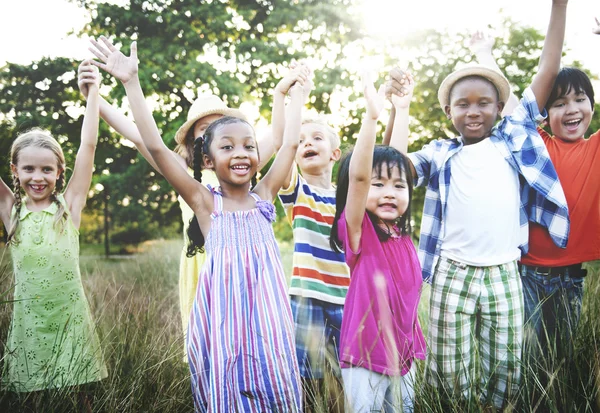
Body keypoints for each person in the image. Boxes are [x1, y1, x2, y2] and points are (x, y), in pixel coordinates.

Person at [89, 36, 304, 412]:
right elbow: (152, 144)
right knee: (224, 385)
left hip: (267, 318)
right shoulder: (204, 201)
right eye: (222, 143)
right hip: (219, 311)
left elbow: (286, 143)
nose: (239, 151)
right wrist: (130, 83)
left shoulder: (264, 196)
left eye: (247, 145)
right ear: (204, 156)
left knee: (276, 387)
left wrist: (289, 95)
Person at [386, 0, 570, 408]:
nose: (474, 111)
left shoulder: (512, 139)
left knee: (505, 372)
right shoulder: (440, 153)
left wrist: (559, 6)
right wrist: (400, 111)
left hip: (504, 272)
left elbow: (548, 71)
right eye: (463, 104)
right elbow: (395, 170)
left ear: (500, 109)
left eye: (484, 103)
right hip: (452, 272)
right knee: (451, 378)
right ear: (448, 111)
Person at [77, 62, 274, 358]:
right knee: (208, 348)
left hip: (242, 263)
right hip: (201, 265)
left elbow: (281, 136)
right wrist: (94, 97)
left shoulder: (241, 163)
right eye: (205, 129)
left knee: (248, 342)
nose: (214, 134)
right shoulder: (182, 171)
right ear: (195, 140)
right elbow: (140, 136)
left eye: (221, 126)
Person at [470, 17, 600, 407]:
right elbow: (531, 82)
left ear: (592, 105)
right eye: (559, 103)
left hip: (571, 282)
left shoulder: (596, 150)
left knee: (556, 369)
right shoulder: (535, 144)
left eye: (579, 100)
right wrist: (484, 54)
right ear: (544, 113)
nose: (571, 109)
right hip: (525, 275)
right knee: (521, 369)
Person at [0, 63, 107, 399]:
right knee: (35, 399)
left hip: (69, 317)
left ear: (60, 171)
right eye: (28, 168)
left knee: (79, 396)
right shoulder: (11, 211)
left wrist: (93, 94)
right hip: (29, 324)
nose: (38, 177)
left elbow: (88, 147)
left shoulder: (69, 206)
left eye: (46, 169)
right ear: (14, 171)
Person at [329, 73, 425, 412]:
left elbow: (396, 162)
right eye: (377, 184)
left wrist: (402, 109)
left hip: (404, 356)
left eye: (398, 187)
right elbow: (360, 175)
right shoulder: (360, 233)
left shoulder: (400, 233)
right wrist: (372, 117)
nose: (389, 192)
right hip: (365, 358)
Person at [271, 64, 350, 409]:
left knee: (348, 374)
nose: (307, 143)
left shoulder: (347, 196)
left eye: (316, 138)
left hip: (349, 298)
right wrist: (296, 96)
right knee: (308, 377)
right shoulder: (296, 190)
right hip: (306, 295)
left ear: (334, 154)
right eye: (302, 141)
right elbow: (286, 146)